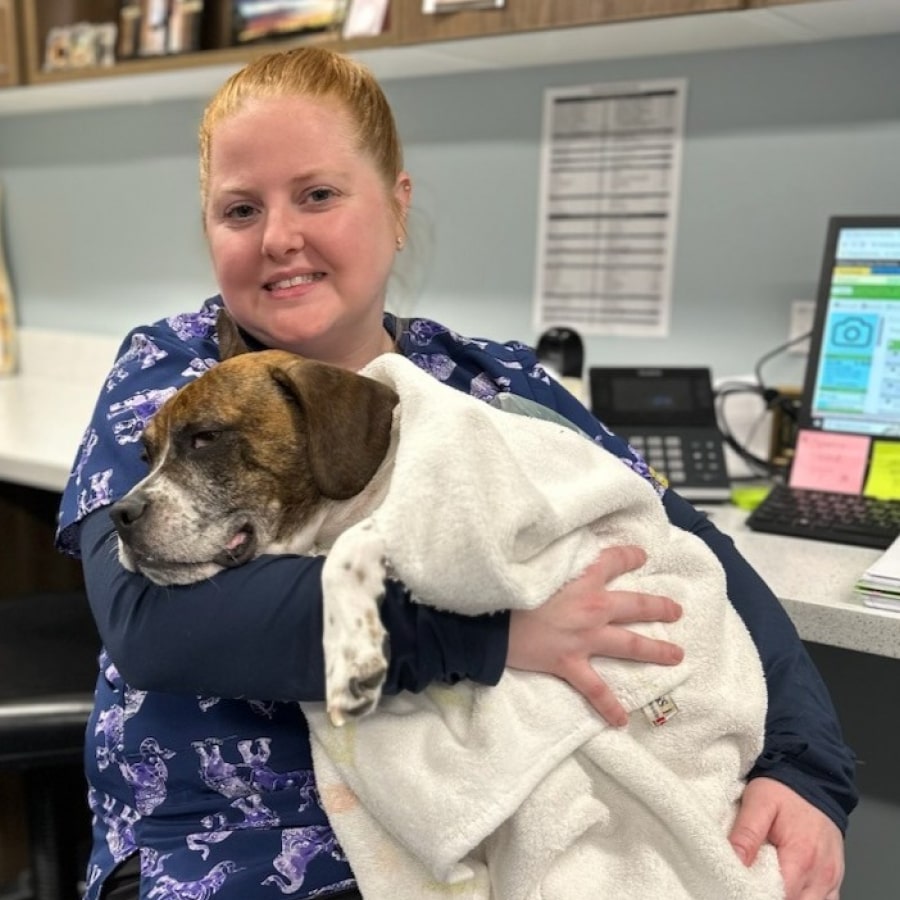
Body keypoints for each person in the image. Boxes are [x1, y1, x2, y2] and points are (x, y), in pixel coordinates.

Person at [56, 46, 855, 900]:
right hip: (241, 838)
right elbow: (151, 624)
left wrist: (805, 768)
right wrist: (494, 637)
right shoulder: (170, 375)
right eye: (240, 209)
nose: (280, 236)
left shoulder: (498, 384)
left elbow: (690, 552)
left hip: (511, 814)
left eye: (318, 194)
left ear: (397, 206)